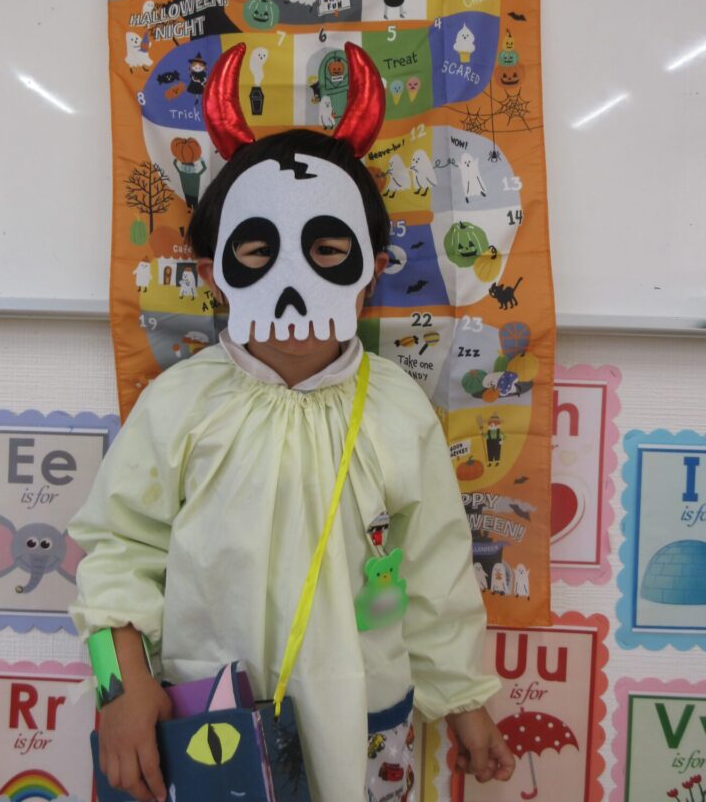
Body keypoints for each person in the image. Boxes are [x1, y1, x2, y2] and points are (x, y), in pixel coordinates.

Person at [69, 43, 514, 802]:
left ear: (371, 271)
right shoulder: (179, 406)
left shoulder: (399, 413)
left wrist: (464, 699)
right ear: (214, 275)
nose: (293, 282)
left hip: (363, 718)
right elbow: (115, 552)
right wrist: (119, 687)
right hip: (212, 718)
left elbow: (435, 571)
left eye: (327, 249)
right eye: (257, 251)